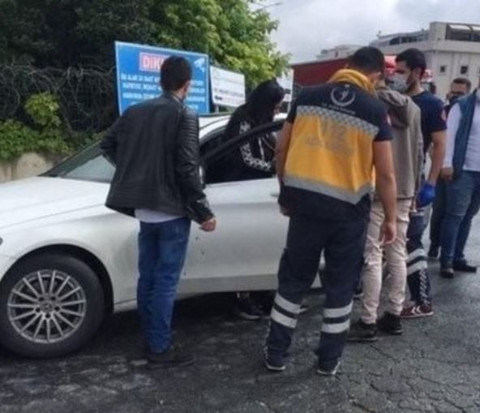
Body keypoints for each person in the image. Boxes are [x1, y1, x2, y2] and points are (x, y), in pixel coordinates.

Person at [263, 47, 397, 376]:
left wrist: (286, 192)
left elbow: (281, 148)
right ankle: (328, 360)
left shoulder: (307, 98)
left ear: (347, 66)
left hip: (305, 208)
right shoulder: (375, 110)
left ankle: (276, 354)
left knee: (293, 281)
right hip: (348, 213)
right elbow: (386, 174)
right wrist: (391, 218)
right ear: (376, 76)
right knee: (340, 286)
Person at [101, 56, 216, 369]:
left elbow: (107, 144)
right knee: (165, 281)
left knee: (148, 277)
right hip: (171, 211)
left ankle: (151, 339)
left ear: (160, 81)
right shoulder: (184, 113)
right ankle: (160, 348)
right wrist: (203, 211)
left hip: (144, 211)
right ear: (187, 84)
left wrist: (134, 170)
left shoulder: (135, 111)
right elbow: (187, 167)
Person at [348, 75, 423, 342]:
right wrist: (415, 189)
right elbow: (419, 149)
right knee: (398, 252)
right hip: (405, 188)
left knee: (372, 255)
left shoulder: (368, 104)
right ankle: (393, 314)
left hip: (376, 188)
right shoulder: (413, 108)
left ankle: (368, 319)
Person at [223, 79, 285, 320]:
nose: (277, 111)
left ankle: (263, 294)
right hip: (240, 190)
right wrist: (272, 168)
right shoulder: (243, 120)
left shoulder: (262, 121)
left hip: (260, 190)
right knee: (244, 248)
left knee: (262, 246)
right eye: (275, 106)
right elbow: (244, 158)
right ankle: (242, 298)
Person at [391, 48, 446, 319]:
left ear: (417, 72)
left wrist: (431, 183)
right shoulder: (391, 98)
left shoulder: (431, 104)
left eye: (401, 71)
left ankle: (423, 301)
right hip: (385, 179)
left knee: (411, 239)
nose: (396, 76)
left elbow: (440, 144)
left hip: (412, 181)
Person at [439, 80, 480, 278]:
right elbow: (449, 135)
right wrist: (446, 163)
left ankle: (458, 257)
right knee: (455, 216)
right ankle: (446, 260)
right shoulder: (462, 105)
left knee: (468, 216)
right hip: (463, 170)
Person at [429, 78, 472, 259]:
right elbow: (435, 142)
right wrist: (440, 163)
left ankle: (454, 252)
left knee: (458, 213)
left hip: (460, 168)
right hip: (442, 167)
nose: (454, 96)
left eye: (459, 93)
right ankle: (435, 244)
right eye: (452, 92)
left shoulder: (468, 111)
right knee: (439, 210)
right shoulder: (444, 110)